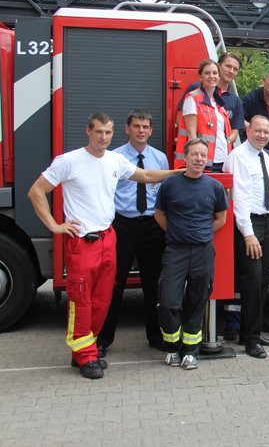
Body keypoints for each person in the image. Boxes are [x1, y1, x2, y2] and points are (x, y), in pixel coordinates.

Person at [28, 113, 181, 379]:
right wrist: (54, 225)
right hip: (82, 242)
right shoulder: (69, 161)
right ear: (88, 131)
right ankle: (87, 357)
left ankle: (85, 350)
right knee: (82, 302)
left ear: (113, 133)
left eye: (107, 133)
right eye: (98, 132)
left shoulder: (114, 160)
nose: (103, 137)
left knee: (102, 300)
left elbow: (145, 175)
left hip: (108, 238)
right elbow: (36, 191)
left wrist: (179, 172)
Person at [96, 109, 170, 357]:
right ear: (127, 129)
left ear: (150, 130)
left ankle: (157, 336)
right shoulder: (113, 157)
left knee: (154, 284)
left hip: (152, 225)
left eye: (145, 127)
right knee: (113, 283)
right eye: (136, 126)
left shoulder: (160, 159)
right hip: (122, 225)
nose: (141, 131)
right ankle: (103, 339)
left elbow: (164, 194)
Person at [155, 138, 229, 370]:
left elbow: (221, 219)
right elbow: (159, 214)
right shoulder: (170, 184)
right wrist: (178, 233)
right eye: (194, 154)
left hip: (202, 252)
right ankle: (171, 347)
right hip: (175, 251)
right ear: (184, 157)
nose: (199, 159)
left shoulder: (214, 186)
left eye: (203, 155)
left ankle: (189, 352)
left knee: (197, 302)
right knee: (168, 302)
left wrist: (201, 234)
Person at [223, 115, 269, 359]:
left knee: (263, 281)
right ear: (248, 130)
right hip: (250, 224)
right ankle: (251, 341)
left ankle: (252, 331)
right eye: (258, 131)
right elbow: (240, 199)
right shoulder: (238, 156)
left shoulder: (266, 156)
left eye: (266, 132)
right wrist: (248, 233)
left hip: (265, 223)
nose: (262, 135)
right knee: (252, 281)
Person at [174, 59, 232, 172]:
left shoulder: (219, 103)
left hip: (223, 161)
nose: (211, 76)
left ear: (219, 76)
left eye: (215, 73)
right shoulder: (193, 98)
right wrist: (197, 159)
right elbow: (191, 134)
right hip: (203, 163)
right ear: (200, 77)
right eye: (207, 73)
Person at [184, 52, 245, 145]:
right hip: (198, 151)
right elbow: (181, 119)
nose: (231, 71)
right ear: (218, 66)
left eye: (235, 69)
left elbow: (234, 132)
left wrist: (221, 144)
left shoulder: (236, 101)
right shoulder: (196, 90)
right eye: (228, 66)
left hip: (220, 154)